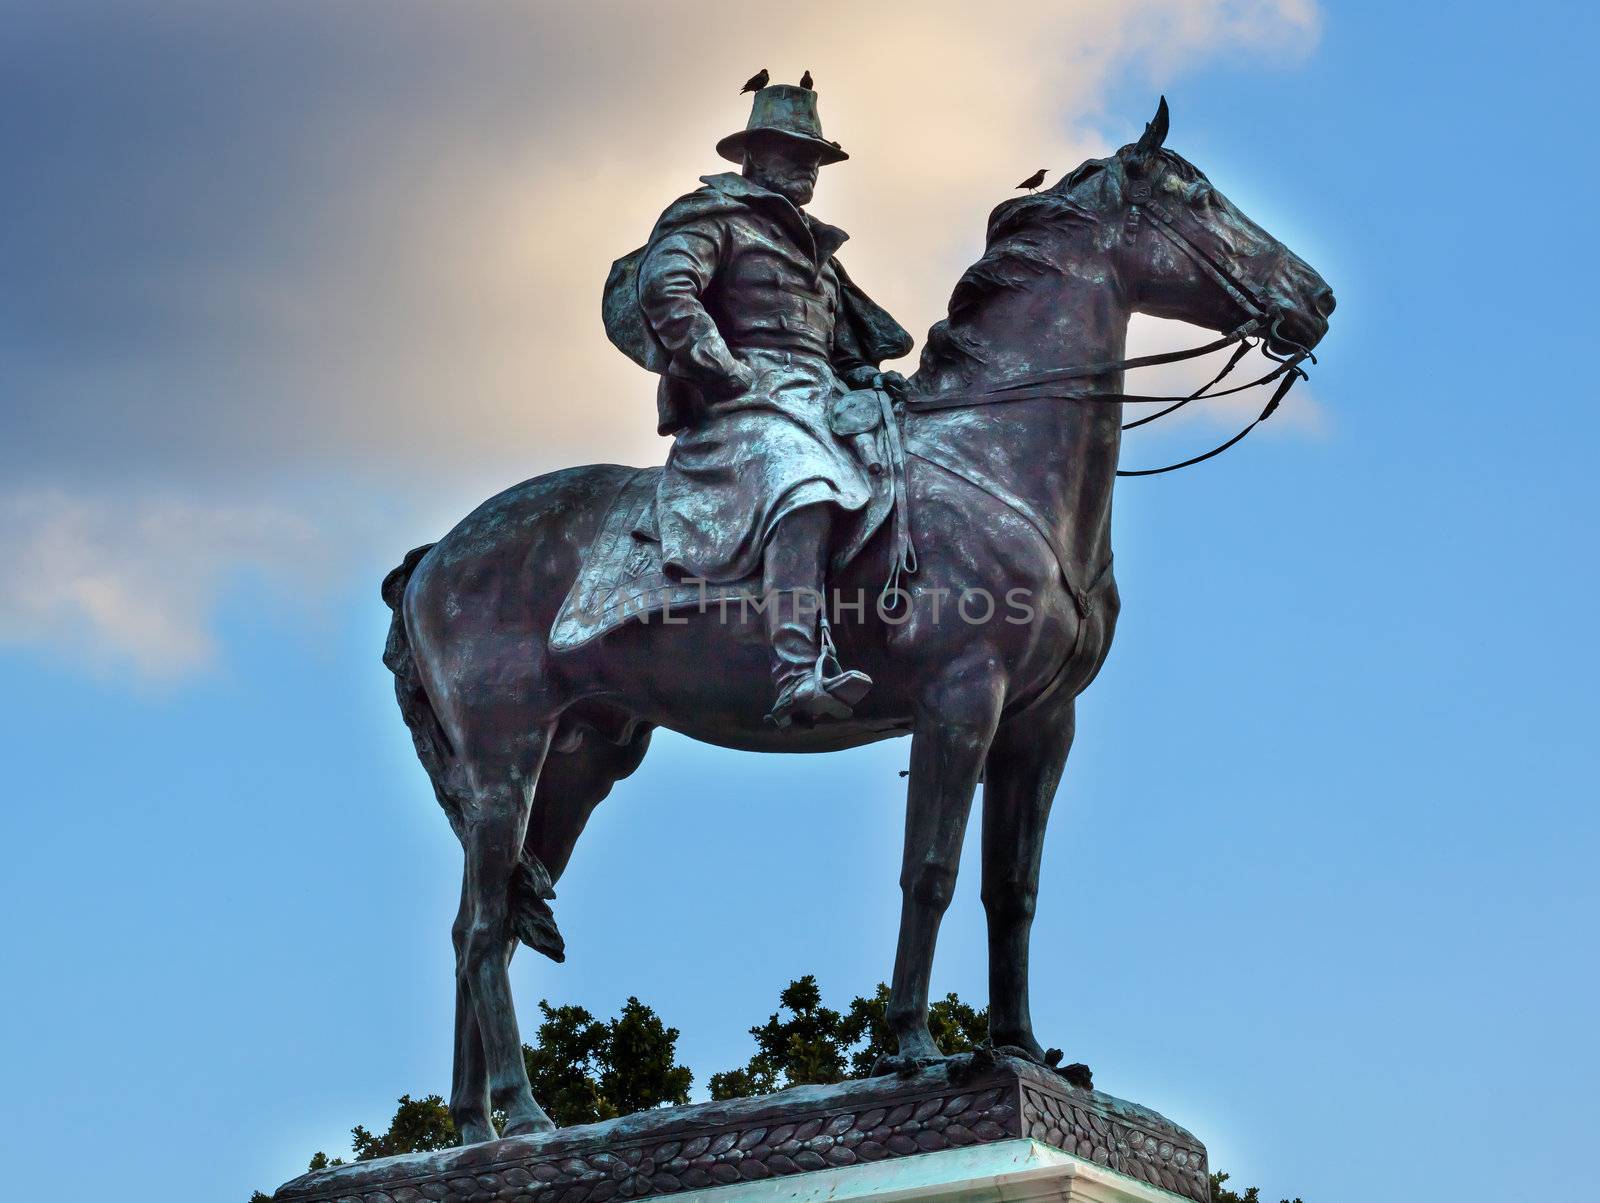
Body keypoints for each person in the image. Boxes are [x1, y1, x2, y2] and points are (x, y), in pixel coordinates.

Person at [603, 83, 912, 726]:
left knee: (918, 466)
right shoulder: (715, 215)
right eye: (793, 153)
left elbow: (840, 345)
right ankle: (796, 671)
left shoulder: (817, 250)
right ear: (754, 155)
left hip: (824, 397)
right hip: (745, 401)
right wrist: (720, 366)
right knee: (802, 479)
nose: (808, 168)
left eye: (815, 158)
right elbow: (667, 286)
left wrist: (865, 376)